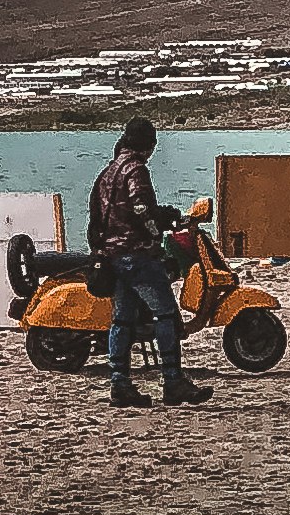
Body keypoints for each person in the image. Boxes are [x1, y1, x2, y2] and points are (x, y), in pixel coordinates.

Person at [88, 116, 212, 411]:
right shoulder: (136, 170)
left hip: (112, 256)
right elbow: (142, 207)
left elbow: (95, 217)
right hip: (137, 255)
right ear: (148, 145)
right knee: (166, 314)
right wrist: (157, 233)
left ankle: (120, 383)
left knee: (121, 319)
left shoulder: (107, 173)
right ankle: (172, 381)